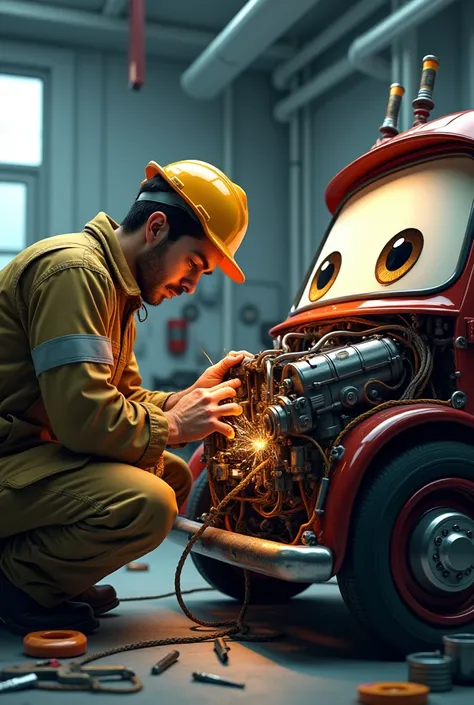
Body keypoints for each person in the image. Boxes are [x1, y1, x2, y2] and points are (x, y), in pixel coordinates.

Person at [0, 159, 250, 636]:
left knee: (170, 474)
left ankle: (54, 576)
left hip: (23, 458)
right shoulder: (74, 272)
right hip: (10, 456)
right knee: (149, 501)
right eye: (195, 264)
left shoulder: (118, 292)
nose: (192, 285)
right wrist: (175, 426)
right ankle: (18, 581)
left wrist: (182, 400)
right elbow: (81, 417)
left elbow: (121, 397)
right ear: (157, 228)